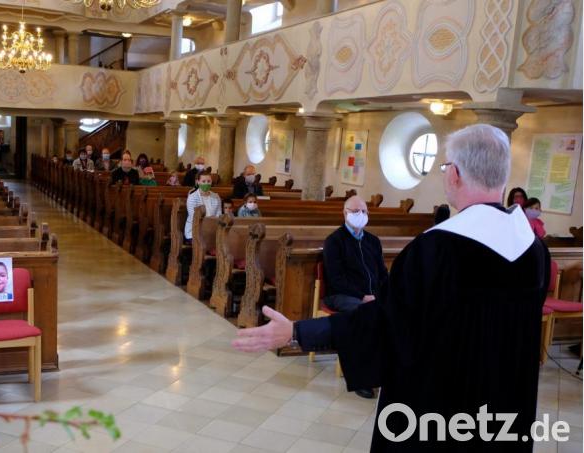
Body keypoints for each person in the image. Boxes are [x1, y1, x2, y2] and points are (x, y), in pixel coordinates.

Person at [232, 124, 550, 452]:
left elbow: (385, 323)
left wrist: (297, 332)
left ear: (455, 174)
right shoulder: (533, 250)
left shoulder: (436, 249)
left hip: (438, 413)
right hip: (503, 411)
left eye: (445, 168)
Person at [322, 195, 388, 399]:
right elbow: (336, 279)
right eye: (356, 211)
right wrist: (363, 296)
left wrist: (384, 294)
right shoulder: (335, 241)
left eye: (364, 211)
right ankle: (361, 378)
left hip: (371, 296)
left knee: (394, 311)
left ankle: (387, 370)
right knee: (364, 315)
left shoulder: (373, 241)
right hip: (341, 295)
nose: (361, 215)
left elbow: (382, 274)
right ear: (345, 213)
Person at [184, 170, 221, 241]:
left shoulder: (216, 197)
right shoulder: (192, 197)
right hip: (194, 230)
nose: (206, 183)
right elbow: (194, 218)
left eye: (209, 181)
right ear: (198, 182)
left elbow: (218, 215)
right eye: (203, 181)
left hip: (212, 229)